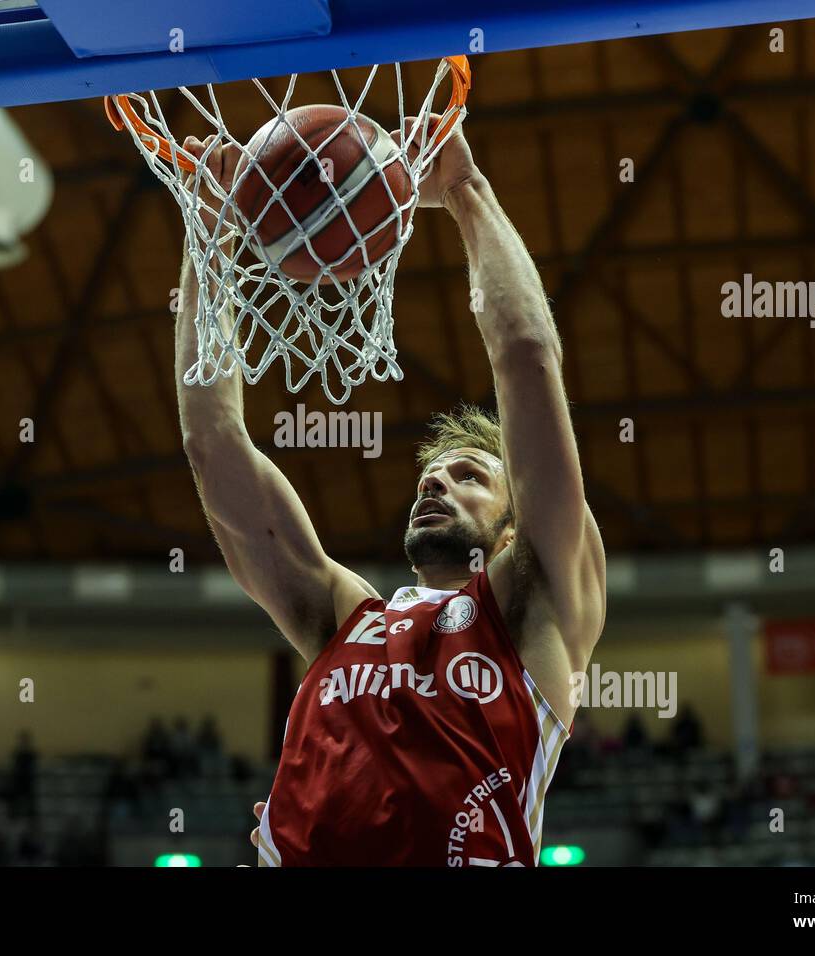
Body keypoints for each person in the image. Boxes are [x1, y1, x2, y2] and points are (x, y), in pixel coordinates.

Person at [175, 120, 606, 866]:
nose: (436, 480)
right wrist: (207, 239)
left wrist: (466, 193)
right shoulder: (343, 617)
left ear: (512, 527)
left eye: (470, 475)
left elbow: (528, 355)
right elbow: (213, 445)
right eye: (431, 475)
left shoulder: (541, 605)